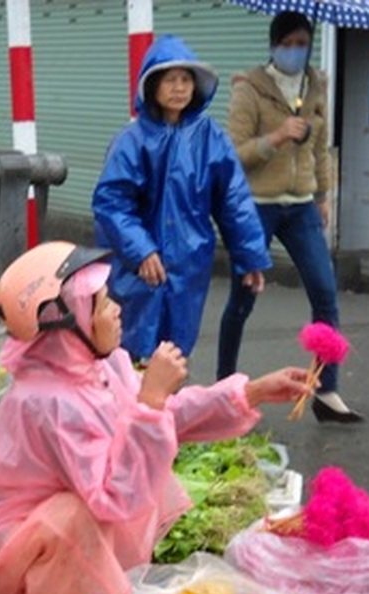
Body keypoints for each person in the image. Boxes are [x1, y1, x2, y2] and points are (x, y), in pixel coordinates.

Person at [0, 241, 313, 594]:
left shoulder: (98, 365)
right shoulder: (49, 401)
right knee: (79, 513)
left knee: (142, 453)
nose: (116, 308)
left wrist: (252, 392)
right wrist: (150, 402)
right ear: (66, 322)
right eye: (100, 303)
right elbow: (112, 497)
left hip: (25, 536)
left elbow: (170, 416)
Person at [216, 12, 363, 423]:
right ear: (274, 44)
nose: (296, 50)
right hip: (257, 205)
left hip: (300, 206)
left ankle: (327, 390)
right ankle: (224, 389)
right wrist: (278, 136)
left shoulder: (315, 84)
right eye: (290, 43)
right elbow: (235, 153)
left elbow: (320, 146)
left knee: (325, 294)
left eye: (303, 43)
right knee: (241, 301)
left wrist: (322, 194)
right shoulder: (250, 88)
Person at [92, 34, 270, 364]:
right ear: (153, 86)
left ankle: (166, 413)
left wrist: (250, 256)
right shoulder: (131, 142)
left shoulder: (210, 138)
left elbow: (233, 199)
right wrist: (141, 249)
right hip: (137, 270)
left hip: (189, 266)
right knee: (129, 354)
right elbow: (112, 201)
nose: (179, 87)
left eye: (186, 79)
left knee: (175, 354)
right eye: (170, 79)